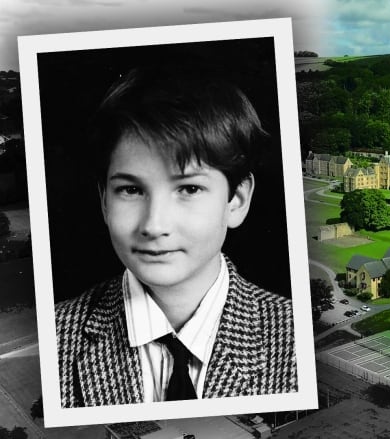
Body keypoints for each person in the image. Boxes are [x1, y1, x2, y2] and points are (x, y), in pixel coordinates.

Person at [55, 66, 297, 408]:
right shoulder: (55, 337)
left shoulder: (297, 339)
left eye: (189, 188)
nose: (154, 225)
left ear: (237, 201)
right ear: (104, 202)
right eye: (130, 189)